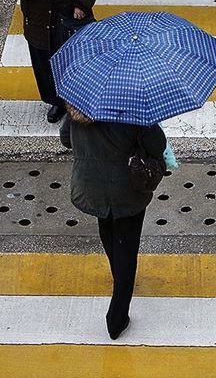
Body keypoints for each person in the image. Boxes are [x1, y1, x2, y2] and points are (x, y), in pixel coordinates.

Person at [61, 106, 166, 340]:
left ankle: (118, 272)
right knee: (127, 250)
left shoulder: (79, 107)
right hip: (126, 191)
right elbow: (157, 146)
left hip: (91, 187)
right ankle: (116, 318)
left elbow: (66, 139)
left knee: (107, 232)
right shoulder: (134, 111)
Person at [0, 0, 104, 123]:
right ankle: (58, 103)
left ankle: (80, 102)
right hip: (38, 22)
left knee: (78, 65)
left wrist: (82, 4)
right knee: (45, 67)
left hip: (71, 19)